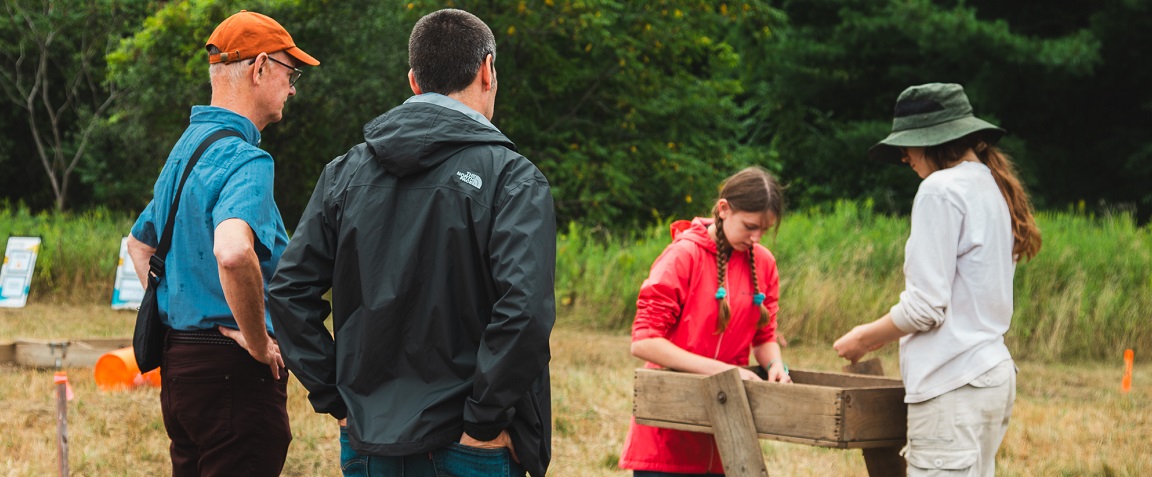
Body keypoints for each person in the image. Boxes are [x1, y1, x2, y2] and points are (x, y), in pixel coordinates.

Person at [267, 8, 555, 477]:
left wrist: (336, 398)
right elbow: (525, 311)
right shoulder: (512, 179)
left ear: (413, 81)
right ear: (487, 70)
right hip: (465, 447)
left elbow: (286, 292)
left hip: (372, 439)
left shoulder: (343, 173)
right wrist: (482, 423)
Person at [125, 10, 318, 476]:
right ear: (260, 69)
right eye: (290, 75)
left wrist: (185, 315)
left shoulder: (186, 149)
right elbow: (233, 252)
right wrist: (254, 341)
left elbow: (138, 245)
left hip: (181, 367)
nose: (292, 89)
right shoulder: (246, 158)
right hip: (234, 374)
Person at [833, 83, 1042, 476]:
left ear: (934, 140)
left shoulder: (940, 190)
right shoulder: (991, 184)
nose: (904, 157)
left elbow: (926, 307)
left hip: (953, 385)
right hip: (990, 377)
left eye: (908, 145)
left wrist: (864, 336)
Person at [619, 166, 792, 476]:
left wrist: (775, 366)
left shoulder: (764, 263)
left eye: (764, 230)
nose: (756, 238)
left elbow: (764, 337)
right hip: (666, 433)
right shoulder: (683, 256)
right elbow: (644, 341)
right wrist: (727, 373)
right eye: (750, 226)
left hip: (728, 438)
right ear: (724, 209)